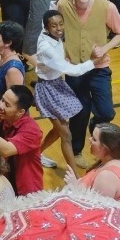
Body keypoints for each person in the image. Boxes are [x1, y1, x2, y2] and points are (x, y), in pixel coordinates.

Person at [59, 0, 120, 165]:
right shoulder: (63, 5)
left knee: (106, 112)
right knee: (79, 111)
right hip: (75, 69)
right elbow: (54, 27)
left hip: (99, 68)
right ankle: (77, 151)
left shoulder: (107, 7)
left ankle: (95, 127)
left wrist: (104, 48)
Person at [33, 9, 95, 173]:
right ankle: (75, 176)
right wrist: (93, 62)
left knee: (60, 128)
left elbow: (52, 7)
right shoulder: (46, 47)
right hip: (47, 89)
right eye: (54, 26)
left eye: (61, 24)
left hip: (56, 84)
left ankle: (36, 154)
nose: (59, 28)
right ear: (46, 27)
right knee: (66, 134)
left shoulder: (50, 35)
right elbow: (71, 70)